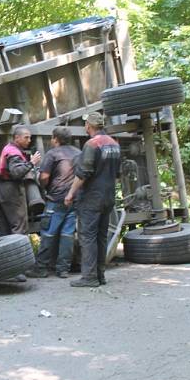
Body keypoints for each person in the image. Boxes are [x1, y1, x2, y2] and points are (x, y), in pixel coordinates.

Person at [64, 113, 121, 287]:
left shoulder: (91, 144)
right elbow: (117, 173)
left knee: (87, 237)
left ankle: (89, 277)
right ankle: (100, 275)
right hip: (108, 197)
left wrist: (70, 193)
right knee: (101, 237)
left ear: (88, 125)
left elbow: (83, 173)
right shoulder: (114, 144)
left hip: (92, 198)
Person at [25, 126, 80, 278]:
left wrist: (44, 188)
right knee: (67, 234)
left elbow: (43, 177)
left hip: (56, 199)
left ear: (55, 139)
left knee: (48, 232)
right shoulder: (79, 153)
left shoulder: (53, 154)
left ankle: (41, 268)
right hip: (74, 199)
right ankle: (63, 269)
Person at [0, 124, 41, 282]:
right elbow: (16, 173)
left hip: (4, 189)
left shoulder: (9, 149)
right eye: (26, 137)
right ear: (16, 137)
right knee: (19, 228)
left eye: (30, 137)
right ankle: (19, 269)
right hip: (12, 189)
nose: (29, 140)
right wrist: (31, 163)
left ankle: (7, 269)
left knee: (7, 229)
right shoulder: (14, 153)